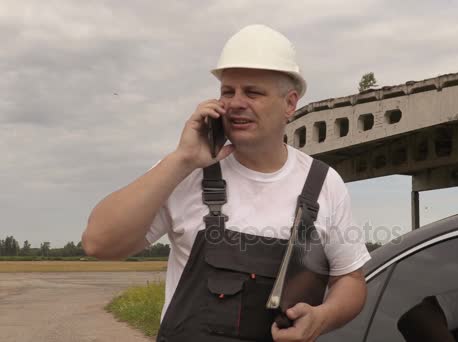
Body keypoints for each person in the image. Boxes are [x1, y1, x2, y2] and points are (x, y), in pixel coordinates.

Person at [82, 24, 371, 342]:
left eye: (253, 92)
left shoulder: (323, 183)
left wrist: (323, 317)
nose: (235, 103)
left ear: (290, 104)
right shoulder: (187, 171)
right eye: (227, 91)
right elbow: (99, 243)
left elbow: (351, 280)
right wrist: (181, 159)